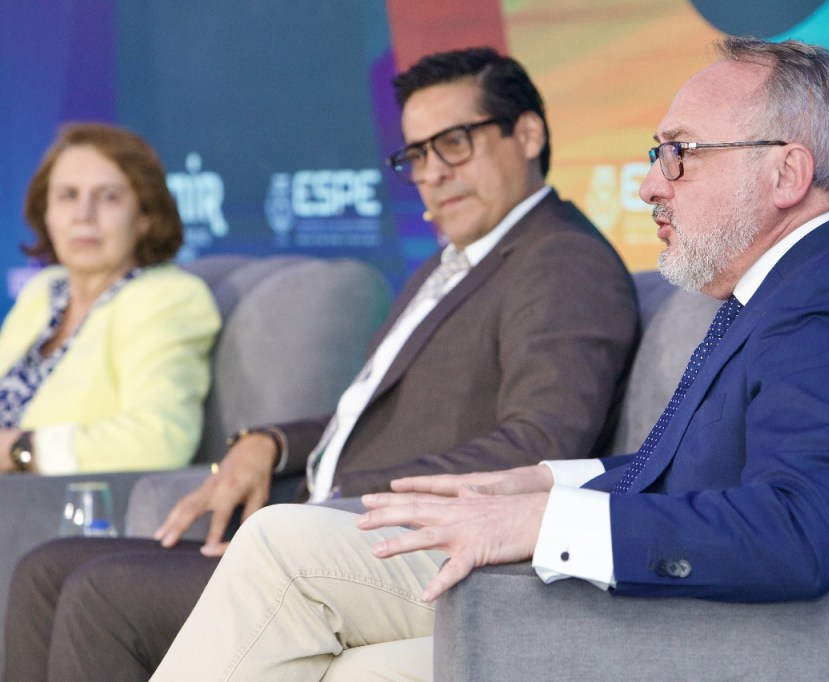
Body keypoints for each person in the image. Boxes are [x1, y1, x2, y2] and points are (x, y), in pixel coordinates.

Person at [149, 36, 829, 680]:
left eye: (680, 153)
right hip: (660, 601)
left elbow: (798, 527)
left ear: (787, 172)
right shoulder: (793, 286)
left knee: (281, 546)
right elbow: (696, 473)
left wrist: (544, 522)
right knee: (356, 668)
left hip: (698, 630)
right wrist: (543, 482)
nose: (651, 185)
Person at [3, 48, 639, 680]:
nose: (433, 173)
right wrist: (271, 443)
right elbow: (366, 418)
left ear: (527, 134)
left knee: (101, 595)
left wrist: (345, 494)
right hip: (319, 524)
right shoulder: (451, 263)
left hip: (390, 543)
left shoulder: (560, 259)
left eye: (454, 144)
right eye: (417, 155)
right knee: (46, 568)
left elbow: (540, 446)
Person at [0, 122, 220, 475]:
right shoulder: (44, 291)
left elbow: (160, 438)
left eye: (108, 197)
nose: (83, 215)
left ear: (145, 217)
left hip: (60, 501)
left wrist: (20, 450)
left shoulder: (168, 298)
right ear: (47, 212)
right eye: (67, 195)